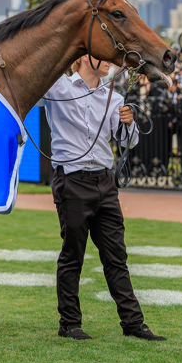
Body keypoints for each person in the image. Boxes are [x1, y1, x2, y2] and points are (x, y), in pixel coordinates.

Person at [41, 54, 166, 341]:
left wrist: (128, 122)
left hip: (105, 182)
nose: (111, 61)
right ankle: (70, 324)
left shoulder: (113, 95)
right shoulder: (58, 88)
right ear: (85, 57)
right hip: (71, 181)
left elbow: (127, 141)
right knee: (73, 254)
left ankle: (133, 324)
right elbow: (41, 72)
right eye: (103, 55)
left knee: (116, 256)